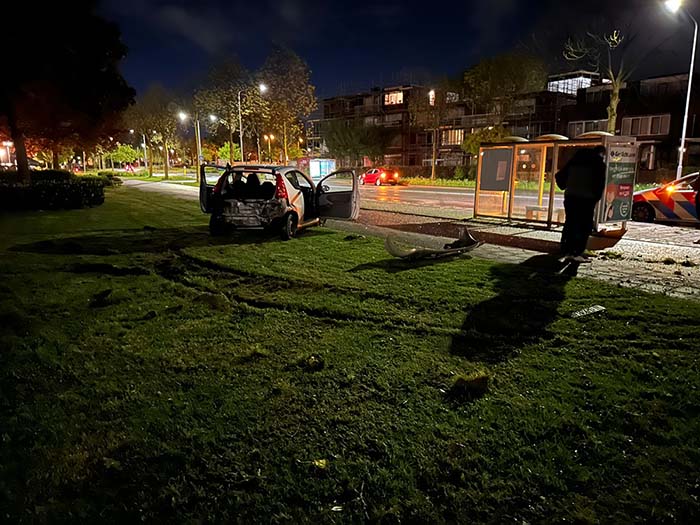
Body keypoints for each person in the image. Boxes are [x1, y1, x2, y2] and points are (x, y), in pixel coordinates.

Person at [555, 146, 606, 263]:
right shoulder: (598, 164)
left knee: (570, 223)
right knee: (584, 226)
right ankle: (577, 252)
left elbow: (559, 176)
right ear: (601, 154)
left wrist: (566, 186)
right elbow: (600, 184)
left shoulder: (574, 162)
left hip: (570, 197)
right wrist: (595, 197)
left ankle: (566, 249)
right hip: (586, 199)